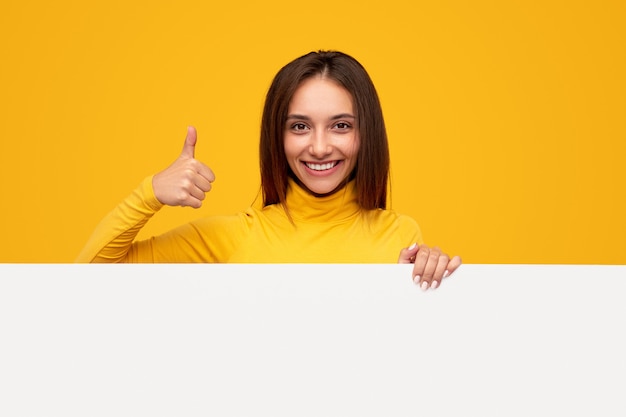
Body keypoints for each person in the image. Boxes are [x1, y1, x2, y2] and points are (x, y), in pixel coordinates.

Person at [76, 50, 462, 290]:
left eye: (341, 125)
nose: (320, 146)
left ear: (366, 135)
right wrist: (150, 193)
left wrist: (424, 286)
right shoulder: (231, 237)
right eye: (300, 126)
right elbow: (86, 279)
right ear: (276, 138)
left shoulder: (401, 236)